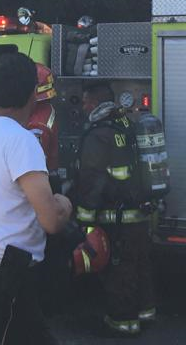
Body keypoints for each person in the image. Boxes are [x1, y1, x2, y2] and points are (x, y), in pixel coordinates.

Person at [0, 52, 72, 345]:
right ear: (34, 93)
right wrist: (65, 204)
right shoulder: (22, 141)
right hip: (9, 271)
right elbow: (51, 221)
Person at [74, 83, 156, 337]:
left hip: (116, 217)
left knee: (120, 270)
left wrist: (84, 219)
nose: (83, 107)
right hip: (139, 213)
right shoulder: (128, 125)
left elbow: (91, 179)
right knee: (140, 264)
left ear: (96, 103)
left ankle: (123, 322)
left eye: (86, 102)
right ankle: (145, 313)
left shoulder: (98, 134)